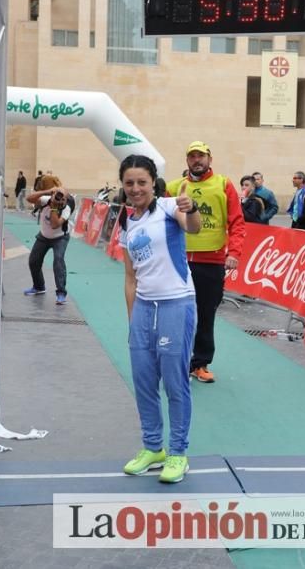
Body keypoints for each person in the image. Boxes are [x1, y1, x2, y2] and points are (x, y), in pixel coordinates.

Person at [119, 154, 201, 484]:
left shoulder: (169, 208)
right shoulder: (126, 221)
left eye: (142, 182)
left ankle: (178, 452)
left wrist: (190, 207)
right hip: (143, 309)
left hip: (176, 305)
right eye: (129, 183)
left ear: (153, 182)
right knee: (143, 381)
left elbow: (191, 227)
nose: (136, 188)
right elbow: (129, 276)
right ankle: (153, 448)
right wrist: (132, 319)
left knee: (174, 382)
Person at [166, 141, 245, 383]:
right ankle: (174, 361)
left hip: (211, 261)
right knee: (176, 313)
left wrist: (234, 253)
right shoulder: (174, 187)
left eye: (201, 156)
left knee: (206, 314)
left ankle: (199, 364)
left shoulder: (224, 184)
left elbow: (237, 222)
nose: (197, 160)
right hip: (179, 261)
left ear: (210, 159)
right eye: (192, 157)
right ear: (187, 161)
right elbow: (163, 222)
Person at [23, 185, 72, 305]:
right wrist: (47, 191)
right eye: (58, 196)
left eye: (63, 199)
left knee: (58, 260)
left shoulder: (66, 209)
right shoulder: (46, 200)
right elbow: (29, 199)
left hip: (60, 238)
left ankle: (61, 293)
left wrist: (54, 208)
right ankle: (39, 287)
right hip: (44, 236)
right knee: (34, 261)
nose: (61, 200)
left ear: (67, 200)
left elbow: (55, 225)